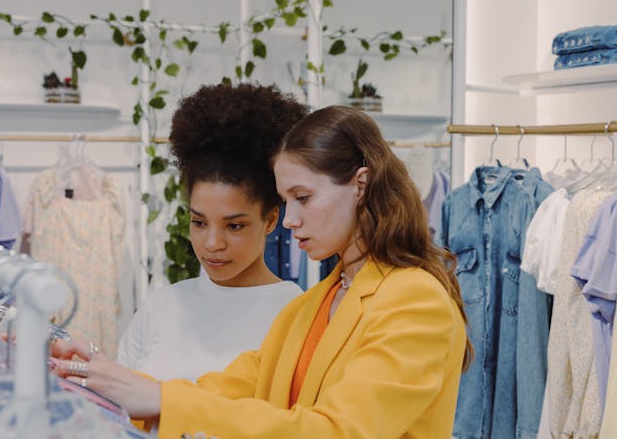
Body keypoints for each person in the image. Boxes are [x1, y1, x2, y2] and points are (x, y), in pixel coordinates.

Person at [52, 105, 472, 438]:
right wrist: (93, 376)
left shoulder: (416, 300)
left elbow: (340, 431)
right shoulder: (313, 304)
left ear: (360, 185)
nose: (289, 220)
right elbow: (233, 388)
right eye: (287, 201)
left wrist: (160, 397)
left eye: (303, 198)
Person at [117, 83, 306, 382]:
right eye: (199, 222)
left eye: (234, 226)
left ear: (270, 220)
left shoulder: (297, 314)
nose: (212, 244)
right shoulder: (160, 306)